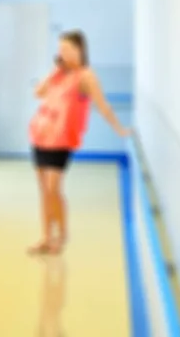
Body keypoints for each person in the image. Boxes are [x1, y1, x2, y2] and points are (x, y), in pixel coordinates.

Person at [28, 31, 130, 255]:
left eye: (66, 49)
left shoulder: (86, 76)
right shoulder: (58, 74)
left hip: (61, 140)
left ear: (80, 50)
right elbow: (38, 93)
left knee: (54, 189)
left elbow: (102, 105)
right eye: (60, 49)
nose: (62, 53)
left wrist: (120, 129)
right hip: (40, 135)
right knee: (44, 191)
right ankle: (46, 237)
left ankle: (61, 236)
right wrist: (54, 71)